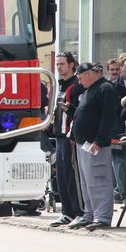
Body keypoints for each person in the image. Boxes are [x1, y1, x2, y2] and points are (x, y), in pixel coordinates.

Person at [67, 62, 120, 231]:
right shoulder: (90, 89)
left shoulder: (106, 89)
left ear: (89, 74)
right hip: (84, 143)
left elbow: (108, 117)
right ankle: (89, 213)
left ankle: (102, 216)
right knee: (86, 181)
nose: (80, 82)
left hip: (96, 144)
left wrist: (99, 140)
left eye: (81, 78)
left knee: (99, 180)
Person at [50, 51, 86, 227]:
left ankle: (79, 211)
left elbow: (78, 112)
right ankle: (67, 212)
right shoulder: (60, 84)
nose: (58, 67)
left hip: (69, 136)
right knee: (62, 176)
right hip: (58, 134)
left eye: (62, 64)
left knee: (72, 176)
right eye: (57, 64)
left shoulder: (76, 85)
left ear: (71, 65)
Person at [106, 58, 126, 201]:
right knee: (110, 161)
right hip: (106, 129)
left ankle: (121, 192)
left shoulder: (121, 88)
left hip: (117, 129)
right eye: (112, 69)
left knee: (118, 161)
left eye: (116, 69)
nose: (114, 72)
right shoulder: (105, 85)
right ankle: (115, 190)